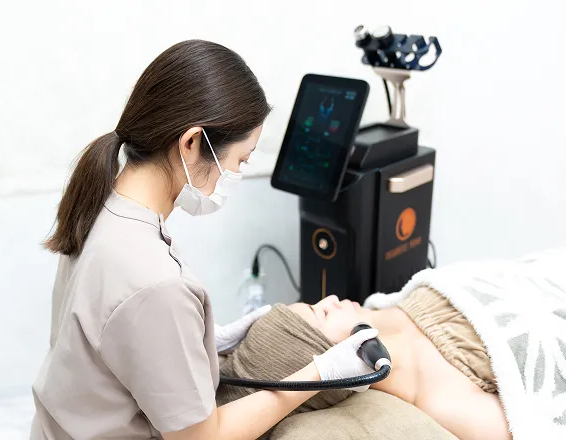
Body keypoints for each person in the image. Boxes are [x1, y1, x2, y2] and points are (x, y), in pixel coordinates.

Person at [30, 39, 380, 440]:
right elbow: (201, 437)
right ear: (192, 142)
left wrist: (201, 343)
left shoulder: (102, 205)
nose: (236, 174)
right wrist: (320, 374)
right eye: (240, 160)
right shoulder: (157, 283)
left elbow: (106, 341)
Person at [217, 292, 513, 440]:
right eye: (322, 312)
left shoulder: (383, 305)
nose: (332, 298)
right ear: (337, 361)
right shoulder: (446, 399)